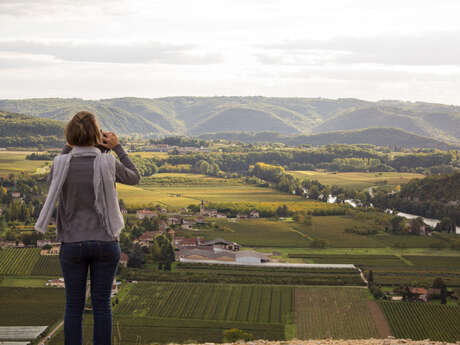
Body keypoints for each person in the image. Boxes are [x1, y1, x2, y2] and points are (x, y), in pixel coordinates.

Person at [34, 111, 140, 345]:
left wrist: (67, 147)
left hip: (72, 244)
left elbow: (51, 180)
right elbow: (135, 177)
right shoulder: (108, 162)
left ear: (70, 136)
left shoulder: (61, 164)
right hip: (105, 242)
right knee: (102, 305)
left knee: (74, 306)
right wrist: (117, 148)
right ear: (96, 135)